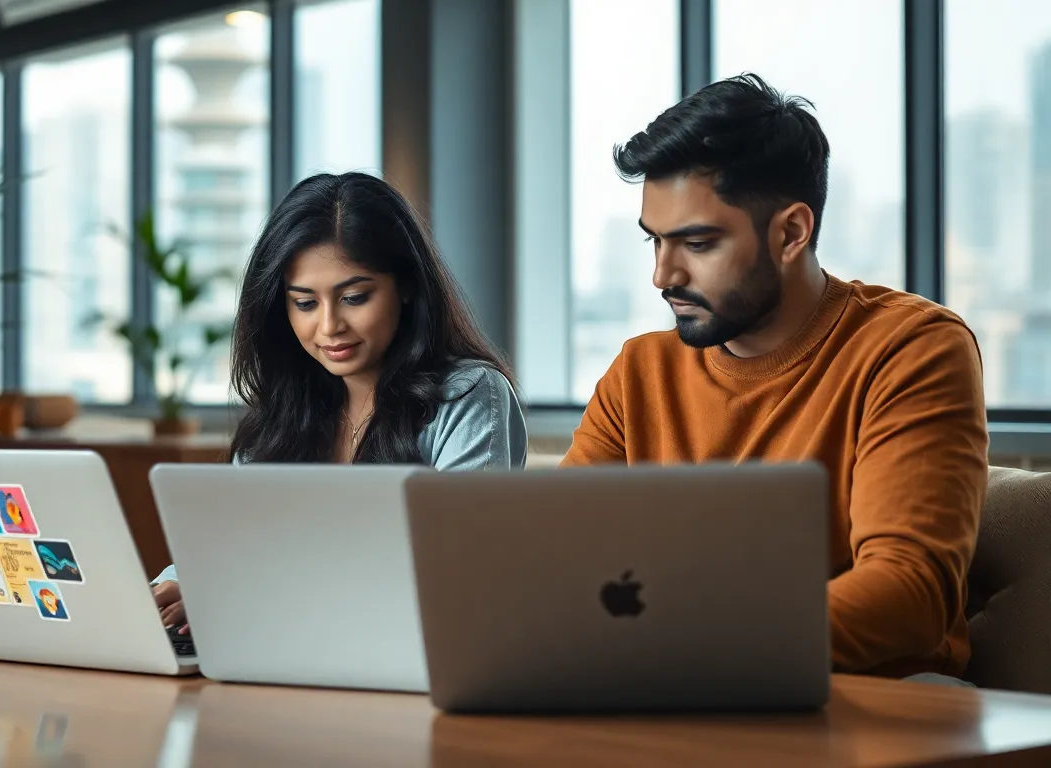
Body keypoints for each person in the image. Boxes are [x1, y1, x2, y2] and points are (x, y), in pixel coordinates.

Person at [561, 74, 988, 683]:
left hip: (873, 695)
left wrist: (692, 649)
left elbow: (910, 592)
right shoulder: (639, 372)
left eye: (697, 243)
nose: (663, 275)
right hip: (673, 684)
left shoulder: (911, 348)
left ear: (791, 233)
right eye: (654, 242)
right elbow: (561, 551)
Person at [153, 172, 528, 631]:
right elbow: (230, 545)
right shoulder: (286, 409)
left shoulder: (468, 394)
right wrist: (183, 582)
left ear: (406, 285)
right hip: (278, 643)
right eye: (305, 304)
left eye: (354, 297)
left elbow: (458, 570)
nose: (330, 326)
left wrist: (236, 589)